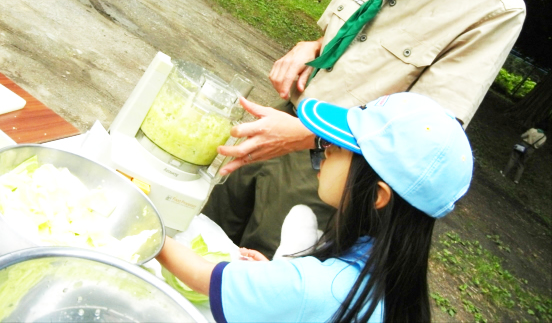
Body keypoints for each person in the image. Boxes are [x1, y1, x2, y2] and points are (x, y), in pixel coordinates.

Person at [202, 0, 525, 259]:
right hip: (279, 124)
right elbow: (344, 37)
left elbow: (420, 134)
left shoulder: (492, 9)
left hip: (335, 172)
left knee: (259, 280)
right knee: (203, 233)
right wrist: (312, 45)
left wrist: (307, 135)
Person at [158, 93, 473, 323]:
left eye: (342, 147)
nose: (325, 146)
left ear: (377, 195)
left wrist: (147, 226)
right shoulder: (386, 279)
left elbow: (204, 277)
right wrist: (272, 278)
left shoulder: (320, 288)